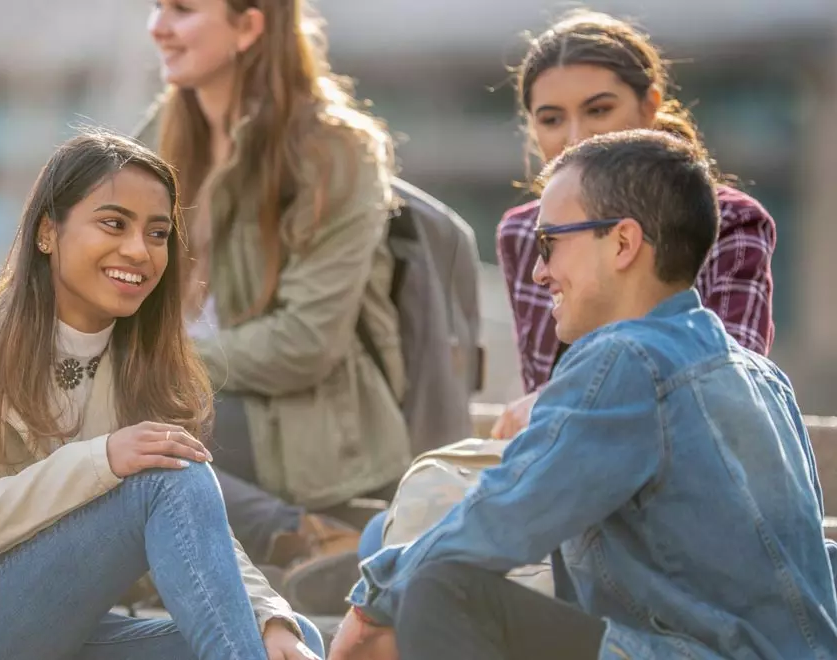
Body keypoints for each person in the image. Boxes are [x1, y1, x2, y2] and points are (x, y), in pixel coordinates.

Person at [330, 129, 837, 660]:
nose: (538, 270)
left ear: (622, 243)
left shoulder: (628, 358)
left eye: (549, 242)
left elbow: (505, 516)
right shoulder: (760, 376)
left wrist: (372, 601)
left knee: (441, 589)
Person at [0, 131, 324, 660]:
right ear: (48, 232)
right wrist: (101, 461)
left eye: (157, 233)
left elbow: (196, 530)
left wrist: (271, 616)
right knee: (167, 482)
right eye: (114, 224)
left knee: (288, 639)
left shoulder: (143, 371)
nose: (138, 250)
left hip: (58, 631)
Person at [139, 0, 409, 579]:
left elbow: (304, 342)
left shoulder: (335, 151)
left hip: (302, 424)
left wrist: (151, 364)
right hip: (184, 397)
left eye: (181, 9)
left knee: (109, 419)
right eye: (155, 6)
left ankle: (303, 536)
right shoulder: (157, 134)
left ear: (249, 25)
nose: (157, 26)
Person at [491, 9, 776, 440]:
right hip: (576, 474)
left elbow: (729, 389)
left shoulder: (731, 222)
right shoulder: (522, 233)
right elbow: (541, 384)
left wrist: (560, 401)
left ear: (650, 107)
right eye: (551, 119)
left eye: (599, 110)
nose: (575, 138)